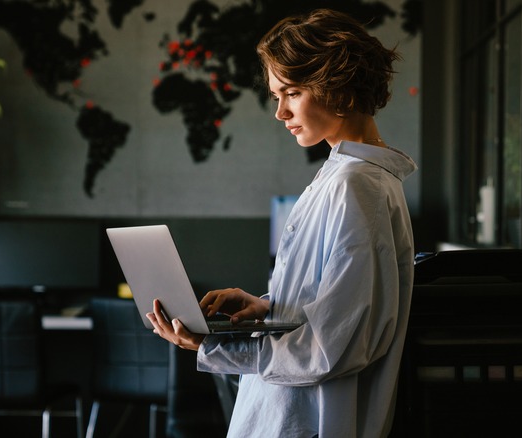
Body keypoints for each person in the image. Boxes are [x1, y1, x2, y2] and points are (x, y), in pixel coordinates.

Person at [146, 8, 417, 438]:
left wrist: (212, 346)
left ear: (338, 85)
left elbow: (334, 346)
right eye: (277, 96)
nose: (280, 113)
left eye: (290, 93)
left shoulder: (356, 185)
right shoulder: (345, 176)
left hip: (307, 422)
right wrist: (270, 306)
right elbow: (337, 301)